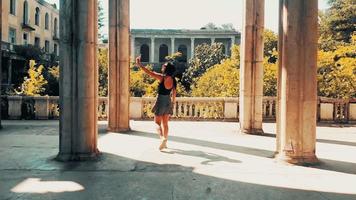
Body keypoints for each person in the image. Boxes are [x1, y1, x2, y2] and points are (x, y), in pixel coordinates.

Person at [135, 56, 177, 151]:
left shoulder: (162, 78)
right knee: (165, 123)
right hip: (168, 101)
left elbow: (149, 72)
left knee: (157, 122)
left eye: (164, 66)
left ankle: (162, 138)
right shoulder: (174, 80)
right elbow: (174, 93)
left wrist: (140, 64)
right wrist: (172, 104)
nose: (162, 66)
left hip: (161, 100)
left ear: (166, 69)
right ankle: (165, 141)